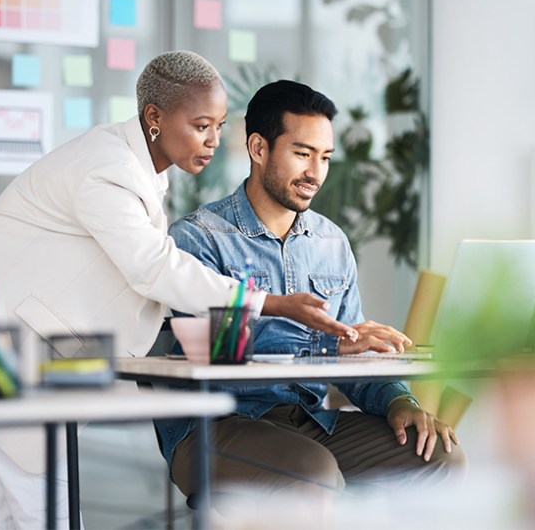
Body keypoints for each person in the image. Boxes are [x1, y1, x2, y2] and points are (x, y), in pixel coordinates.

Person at [0, 51, 359, 528]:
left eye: (219, 126)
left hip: (10, 346)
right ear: (154, 117)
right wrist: (273, 303)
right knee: (47, 511)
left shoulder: (134, 170)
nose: (214, 141)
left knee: (15, 512)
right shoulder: (108, 168)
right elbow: (151, 267)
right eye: (201, 125)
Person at [156, 80, 467, 512]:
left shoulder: (330, 242)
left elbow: (355, 353)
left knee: (440, 456)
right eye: (303, 154)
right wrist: (327, 344)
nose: (316, 173)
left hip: (309, 421)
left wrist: (399, 400)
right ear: (259, 148)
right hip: (216, 425)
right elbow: (214, 353)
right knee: (313, 473)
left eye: (325, 157)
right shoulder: (199, 239)